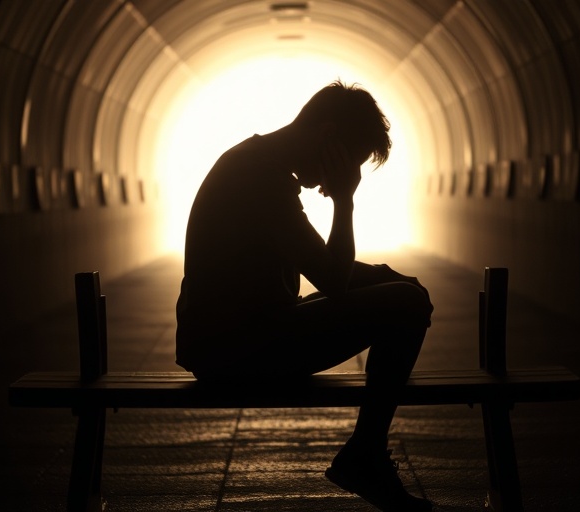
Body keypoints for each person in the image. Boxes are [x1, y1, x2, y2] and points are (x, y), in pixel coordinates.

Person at [175, 80, 434, 511]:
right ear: (328, 136)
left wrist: (385, 277)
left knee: (405, 292)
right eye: (350, 160)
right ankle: (364, 455)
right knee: (407, 304)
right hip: (235, 353)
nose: (340, 176)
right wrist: (345, 202)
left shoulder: (256, 165)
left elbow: (314, 262)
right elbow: (331, 278)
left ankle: (365, 453)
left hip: (236, 340)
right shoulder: (259, 178)